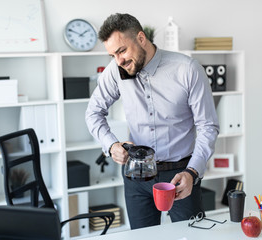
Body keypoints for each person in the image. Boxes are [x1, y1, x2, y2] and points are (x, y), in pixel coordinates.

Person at [85, 13, 219, 229]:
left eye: (122, 50)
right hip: (135, 175)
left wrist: (192, 172)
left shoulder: (187, 69)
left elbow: (208, 126)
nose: (119, 61)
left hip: (181, 174)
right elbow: (93, 112)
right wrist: (111, 145)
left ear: (140, 38)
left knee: (192, 235)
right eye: (112, 55)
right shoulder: (115, 71)